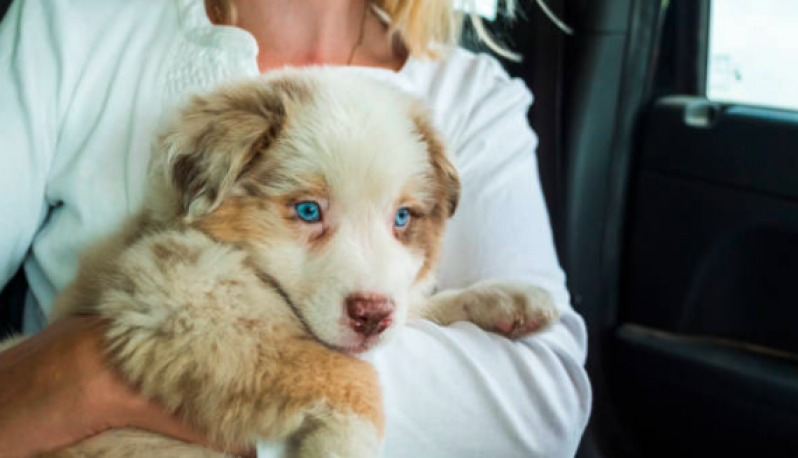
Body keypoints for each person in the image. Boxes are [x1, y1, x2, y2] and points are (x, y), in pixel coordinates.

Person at [0, 0, 592, 456]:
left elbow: (541, 402)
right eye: (309, 212)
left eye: (401, 219)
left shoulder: (469, 96)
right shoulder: (80, 23)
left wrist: (98, 369)